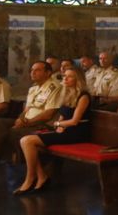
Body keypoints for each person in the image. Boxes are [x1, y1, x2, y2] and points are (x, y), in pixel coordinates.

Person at [0, 60, 63, 189]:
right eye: (31, 70)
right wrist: (20, 119)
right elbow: (27, 109)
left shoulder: (55, 87)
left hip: (42, 125)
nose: (32, 73)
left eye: (37, 70)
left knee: (11, 132)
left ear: (48, 73)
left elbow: (48, 114)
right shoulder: (33, 88)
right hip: (27, 122)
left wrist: (26, 122)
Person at [14, 66, 93, 194]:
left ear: (77, 79)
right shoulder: (67, 93)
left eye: (70, 76)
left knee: (27, 141)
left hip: (77, 133)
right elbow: (62, 117)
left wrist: (58, 124)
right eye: (64, 76)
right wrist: (58, 126)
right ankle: (41, 177)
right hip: (65, 131)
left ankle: (30, 178)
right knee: (26, 142)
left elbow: (74, 121)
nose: (65, 78)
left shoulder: (83, 96)